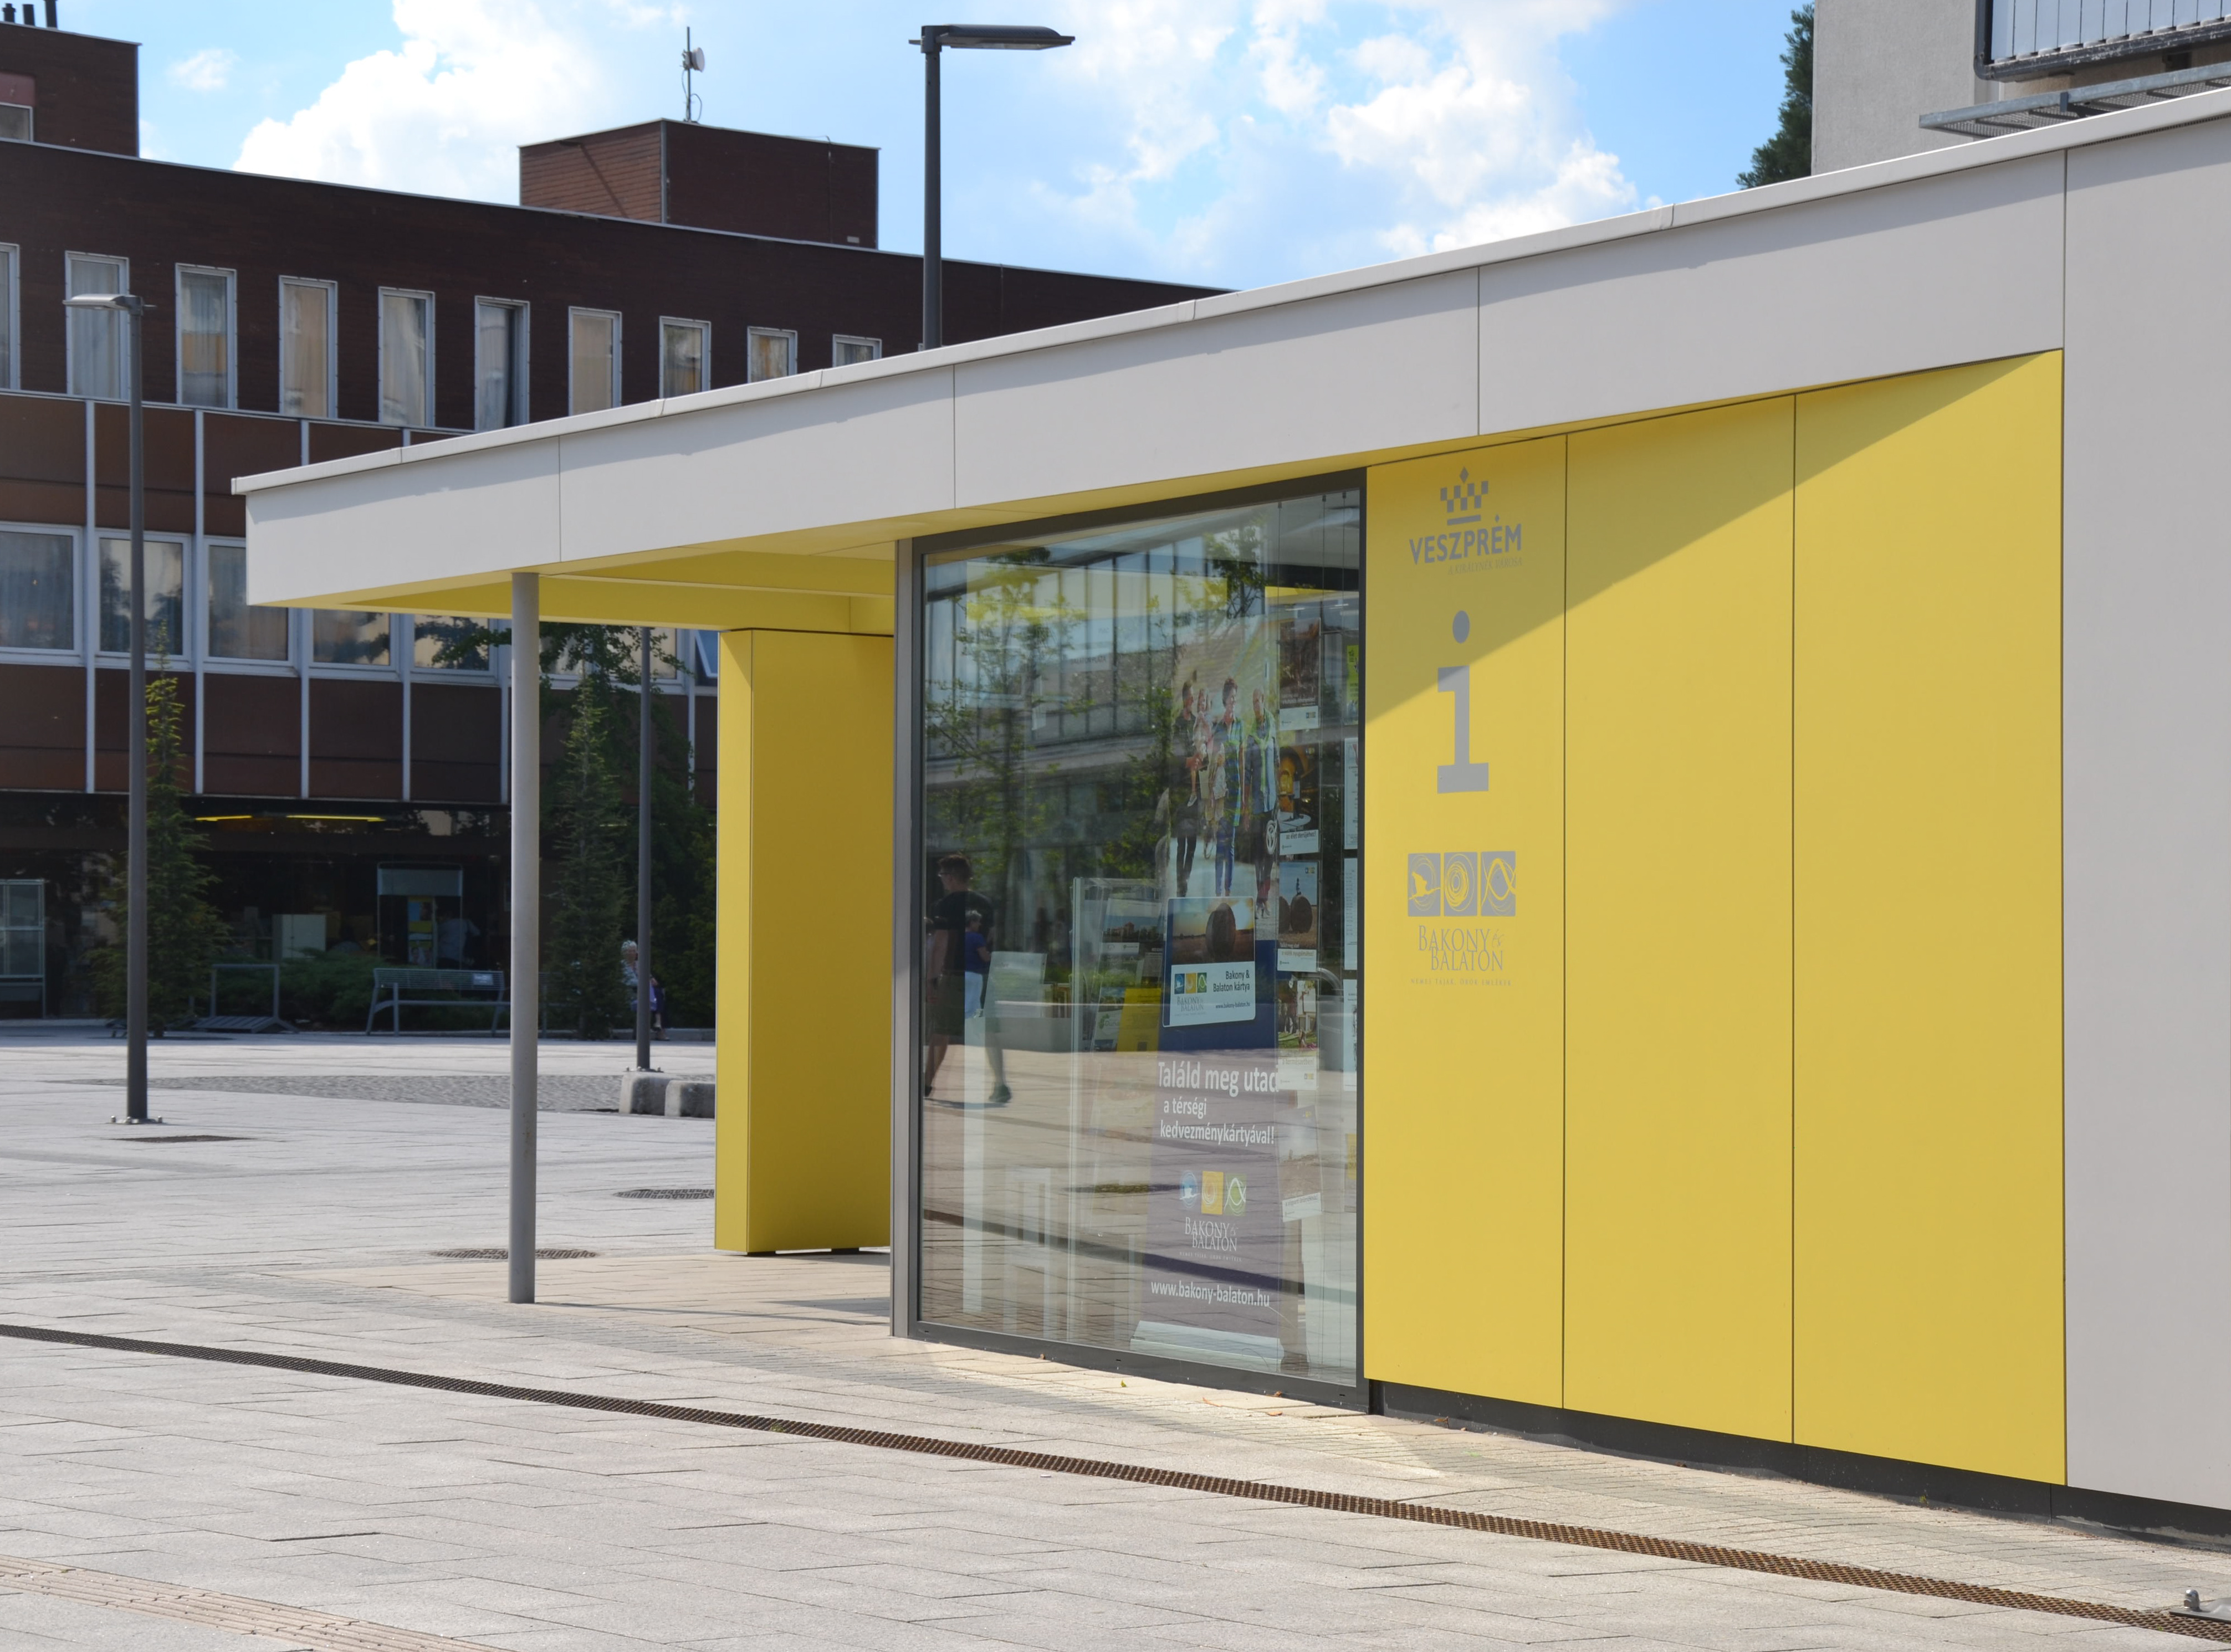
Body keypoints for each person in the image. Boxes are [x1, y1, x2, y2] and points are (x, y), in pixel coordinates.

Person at [924, 854, 1009, 1106]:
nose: (942, 880)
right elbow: (991, 937)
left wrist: (931, 979)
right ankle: (1000, 1083)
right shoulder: (985, 903)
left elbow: (941, 943)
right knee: (989, 1031)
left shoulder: (945, 905)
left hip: (954, 975)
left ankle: (926, 1083)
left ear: (950, 877)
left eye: (942, 876)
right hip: (982, 975)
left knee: (941, 1031)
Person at [620, 940, 664, 1038]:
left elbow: (649, 977)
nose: (632, 953)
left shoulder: (640, 964)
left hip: (643, 992)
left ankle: (658, 1022)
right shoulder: (622, 965)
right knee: (655, 994)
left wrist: (652, 979)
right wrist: (644, 983)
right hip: (631, 993)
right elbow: (626, 982)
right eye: (629, 951)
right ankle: (659, 1026)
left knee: (658, 992)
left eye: (634, 951)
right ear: (624, 953)